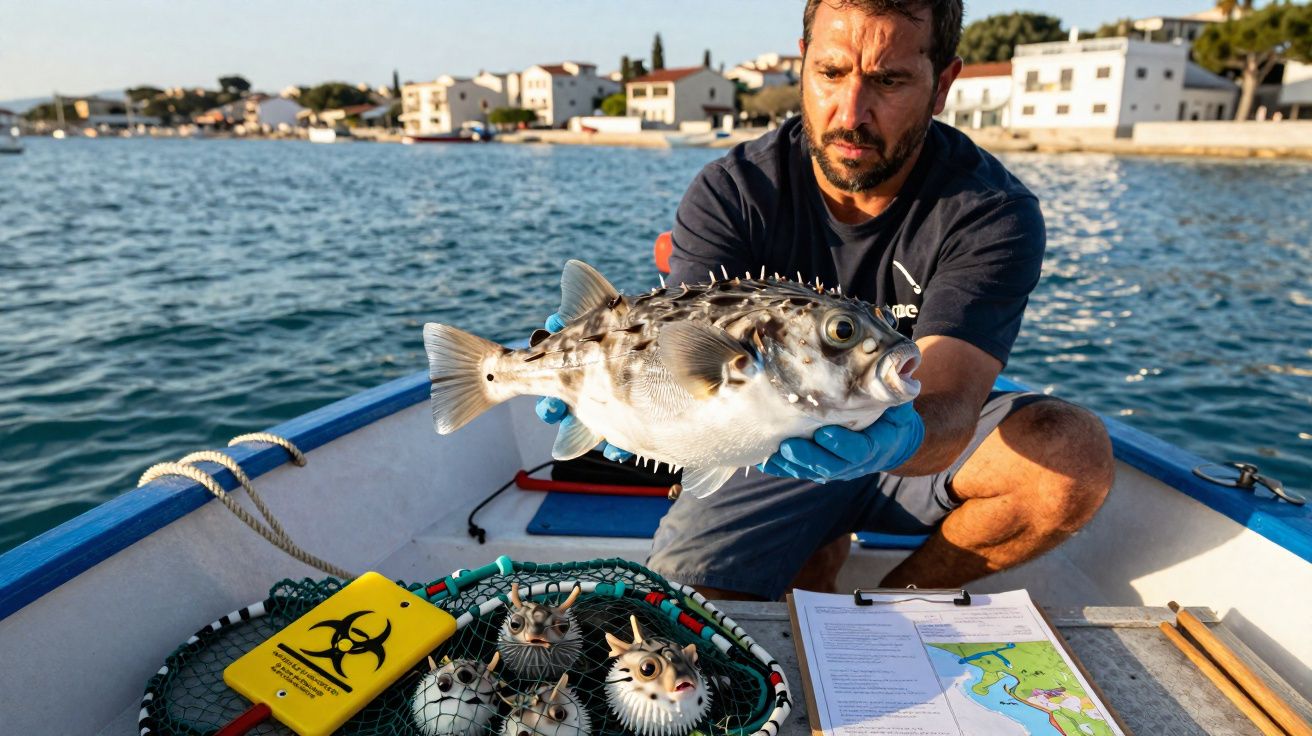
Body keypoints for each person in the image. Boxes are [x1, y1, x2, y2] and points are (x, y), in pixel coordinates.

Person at [540, 0, 1114, 602]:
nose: (851, 113)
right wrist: (624, 405)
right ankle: (812, 551)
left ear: (942, 84)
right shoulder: (733, 191)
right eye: (832, 73)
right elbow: (689, 367)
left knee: (1069, 453)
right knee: (690, 613)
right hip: (759, 452)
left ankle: (894, 605)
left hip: (904, 439)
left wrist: (901, 437)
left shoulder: (991, 211)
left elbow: (949, 401)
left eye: (889, 81)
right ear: (802, 64)